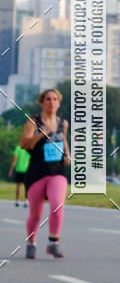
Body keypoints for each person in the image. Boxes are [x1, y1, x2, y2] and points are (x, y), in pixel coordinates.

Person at [20, 88, 71, 259]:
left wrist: (67, 155)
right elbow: (23, 144)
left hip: (57, 171)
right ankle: (31, 243)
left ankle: (53, 242)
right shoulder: (33, 122)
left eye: (55, 99)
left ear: (58, 103)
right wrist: (41, 134)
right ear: (42, 102)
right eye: (48, 99)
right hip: (36, 172)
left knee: (57, 205)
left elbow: (63, 140)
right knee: (36, 214)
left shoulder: (63, 123)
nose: (51, 102)